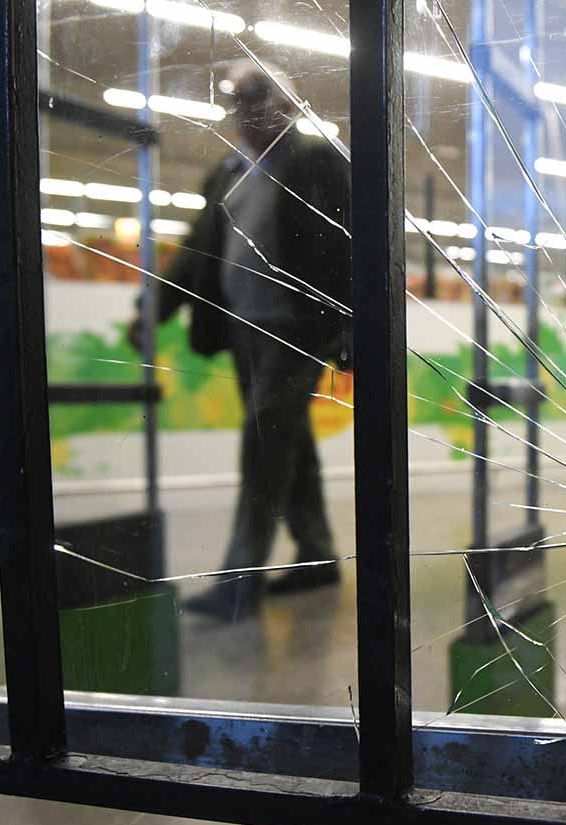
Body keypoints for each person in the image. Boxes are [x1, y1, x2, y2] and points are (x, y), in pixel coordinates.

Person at [130, 61, 352, 620]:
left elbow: (355, 247)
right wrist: (152, 311)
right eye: (239, 107)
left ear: (287, 105)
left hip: (297, 330)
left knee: (263, 443)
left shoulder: (316, 159)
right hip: (241, 332)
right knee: (286, 443)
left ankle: (240, 580)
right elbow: (195, 255)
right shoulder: (227, 173)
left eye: (259, 104)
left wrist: (355, 328)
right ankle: (317, 555)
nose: (247, 117)